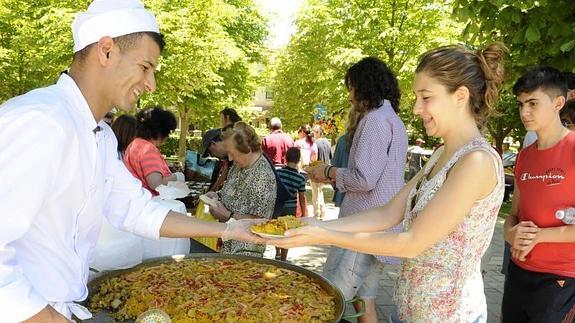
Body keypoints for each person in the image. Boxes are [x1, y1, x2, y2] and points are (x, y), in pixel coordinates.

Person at [0, 1, 262, 321]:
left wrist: (233, 230)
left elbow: (135, 210)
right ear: (107, 50)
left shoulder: (101, 137)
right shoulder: (42, 121)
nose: (151, 84)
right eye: (145, 67)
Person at [271, 43, 507, 323]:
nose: (417, 109)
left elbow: (412, 243)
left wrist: (323, 235)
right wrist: (318, 225)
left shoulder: (476, 161)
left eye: (426, 97)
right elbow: (388, 213)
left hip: (451, 315)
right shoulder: (443, 154)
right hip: (411, 308)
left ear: (460, 96)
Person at [302, 56, 409, 322]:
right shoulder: (393, 119)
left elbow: (364, 179)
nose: (349, 96)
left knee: (328, 299)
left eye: (351, 88)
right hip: (377, 230)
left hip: (360, 230)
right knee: (366, 303)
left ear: (365, 86)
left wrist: (328, 172)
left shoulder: (374, 120)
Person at [502, 66, 575, 322]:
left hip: (561, 279)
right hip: (519, 271)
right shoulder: (524, 156)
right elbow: (513, 216)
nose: (524, 112)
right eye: (521, 104)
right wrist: (511, 234)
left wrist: (540, 237)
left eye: (533, 103)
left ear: (558, 102)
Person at [207, 122, 277, 256]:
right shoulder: (239, 166)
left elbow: (261, 221)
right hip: (227, 247)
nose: (230, 158)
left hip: (245, 254)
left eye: (232, 153)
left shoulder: (263, 176)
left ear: (247, 149)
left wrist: (228, 216)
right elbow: (232, 192)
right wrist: (216, 196)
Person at [124, 106, 184, 196]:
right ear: (159, 131)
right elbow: (156, 183)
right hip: (151, 202)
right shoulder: (148, 149)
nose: (167, 137)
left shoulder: (134, 144)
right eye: (167, 132)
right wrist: (177, 177)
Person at [275, 147, 307, 261]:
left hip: (278, 205)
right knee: (287, 232)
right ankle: (283, 258)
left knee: (276, 228)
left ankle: (277, 252)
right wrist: (304, 213)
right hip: (291, 207)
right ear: (298, 161)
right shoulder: (300, 178)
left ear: (285, 158)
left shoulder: (278, 173)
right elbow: (302, 197)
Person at [202, 125, 233, 192]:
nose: (212, 156)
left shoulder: (236, 159)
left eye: (209, 152)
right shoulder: (227, 160)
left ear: (213, 144)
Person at [311, 124, 331, 219]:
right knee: (320, 191)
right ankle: (322, 211)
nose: (313, 134)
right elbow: (330, 157)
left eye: (314, 132)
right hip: (326, 170)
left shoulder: (315, 144)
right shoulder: (327, 143)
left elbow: (314, 159)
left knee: (316, 193)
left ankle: (317, 213)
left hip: (317, 170)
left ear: (318, 133)